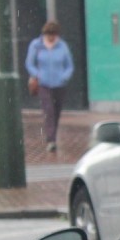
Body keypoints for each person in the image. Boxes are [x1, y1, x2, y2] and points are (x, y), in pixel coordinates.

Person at [24, 20, 73, 153]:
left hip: (59, 84)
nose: (51, 38)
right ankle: (51, 140)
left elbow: (69, 65)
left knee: (56, 112)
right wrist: (37, 74)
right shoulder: (36, 45)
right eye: (49, 35)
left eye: (54, 35)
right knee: (49, 111)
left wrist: (65, 76)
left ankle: (52, 135)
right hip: (43, 84)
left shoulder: (62, 46)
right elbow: (30, 63)